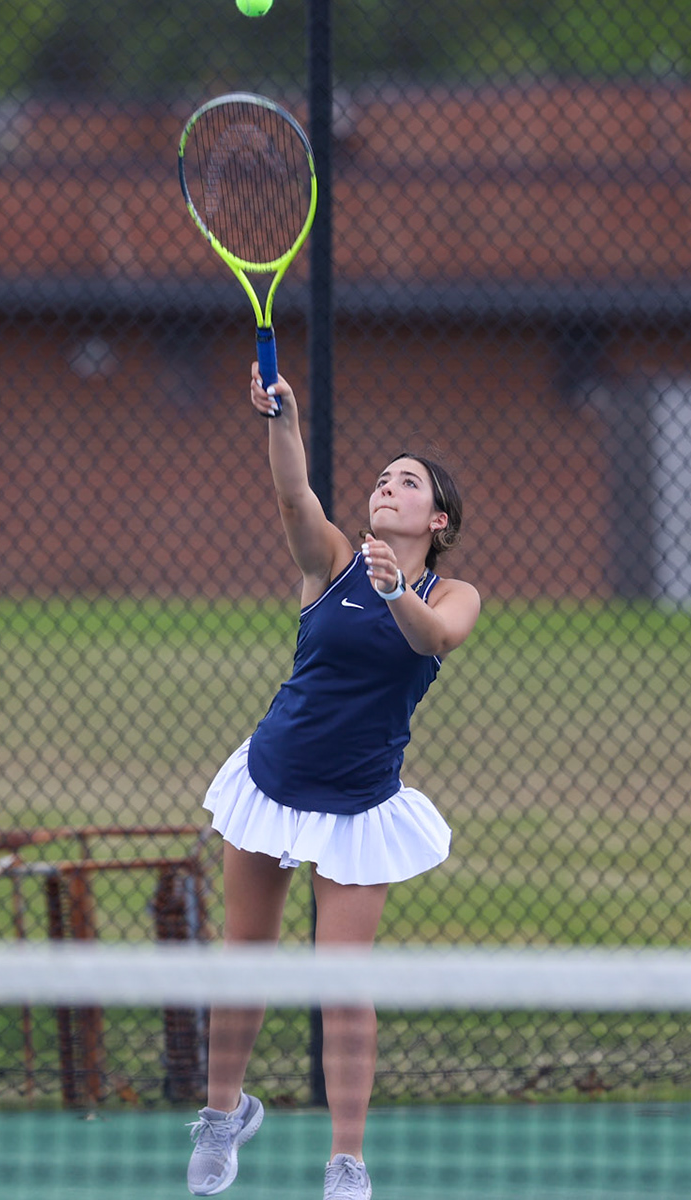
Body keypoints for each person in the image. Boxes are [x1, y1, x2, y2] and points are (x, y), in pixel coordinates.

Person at [187, 363, 482, 1200]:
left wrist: (397, 593)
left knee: (341, 985)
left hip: (358, 808)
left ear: (438, 518)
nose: (387, 486)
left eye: (408, 482)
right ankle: (222, 1117)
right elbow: (295, 500)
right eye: (383, 477)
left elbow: (434, 641)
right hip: (272, 781)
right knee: (245, 958)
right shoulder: (333, 560)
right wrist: (282, 420)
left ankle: (346, 1162)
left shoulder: (451, 592)